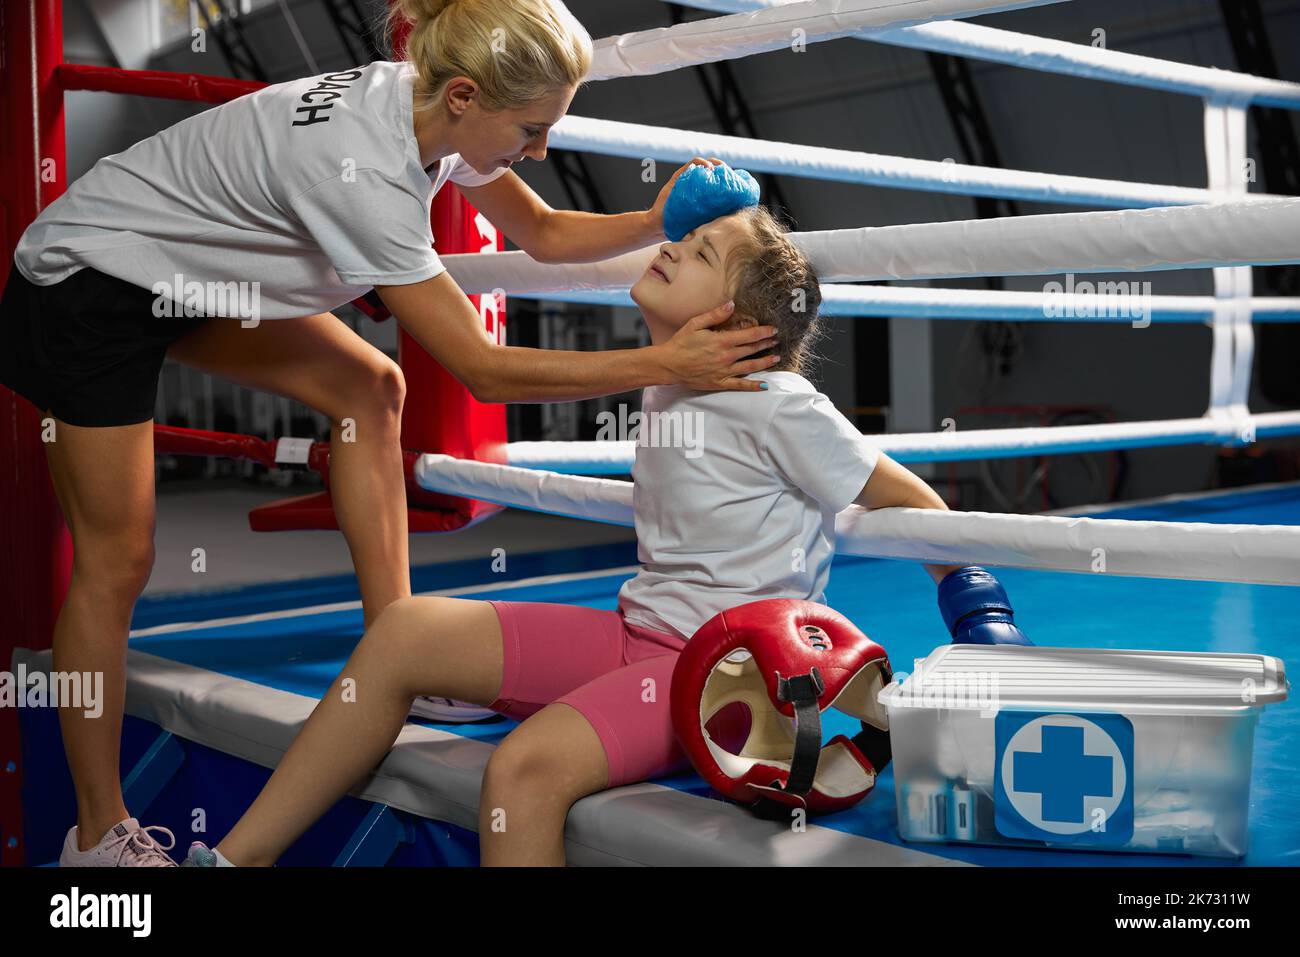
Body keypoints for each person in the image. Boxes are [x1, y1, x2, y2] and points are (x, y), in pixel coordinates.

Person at [0, 0, 780, 867]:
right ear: (461, 95)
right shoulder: (364, 167)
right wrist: (669, 361)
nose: (541, 150)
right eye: (530, 130)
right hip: (91, 280)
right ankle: (98, 833)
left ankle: (398, 647)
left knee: (369, 385)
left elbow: (547, 232)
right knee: (120, 558)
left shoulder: (434, 111)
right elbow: (484, 369)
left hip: (182, 270)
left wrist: (657, 216)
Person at [181, 203, 1027, 867]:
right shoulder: (661, 378)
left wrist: (979, 614)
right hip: (633, 634)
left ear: (733, 320)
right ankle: (240, 856)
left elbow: (908, 496)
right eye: (684, 238)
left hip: (713, 678)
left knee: (522, 771)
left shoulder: (782, 405)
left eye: (698, 253)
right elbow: (552, 245)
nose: (673, 247)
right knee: (402, 630)